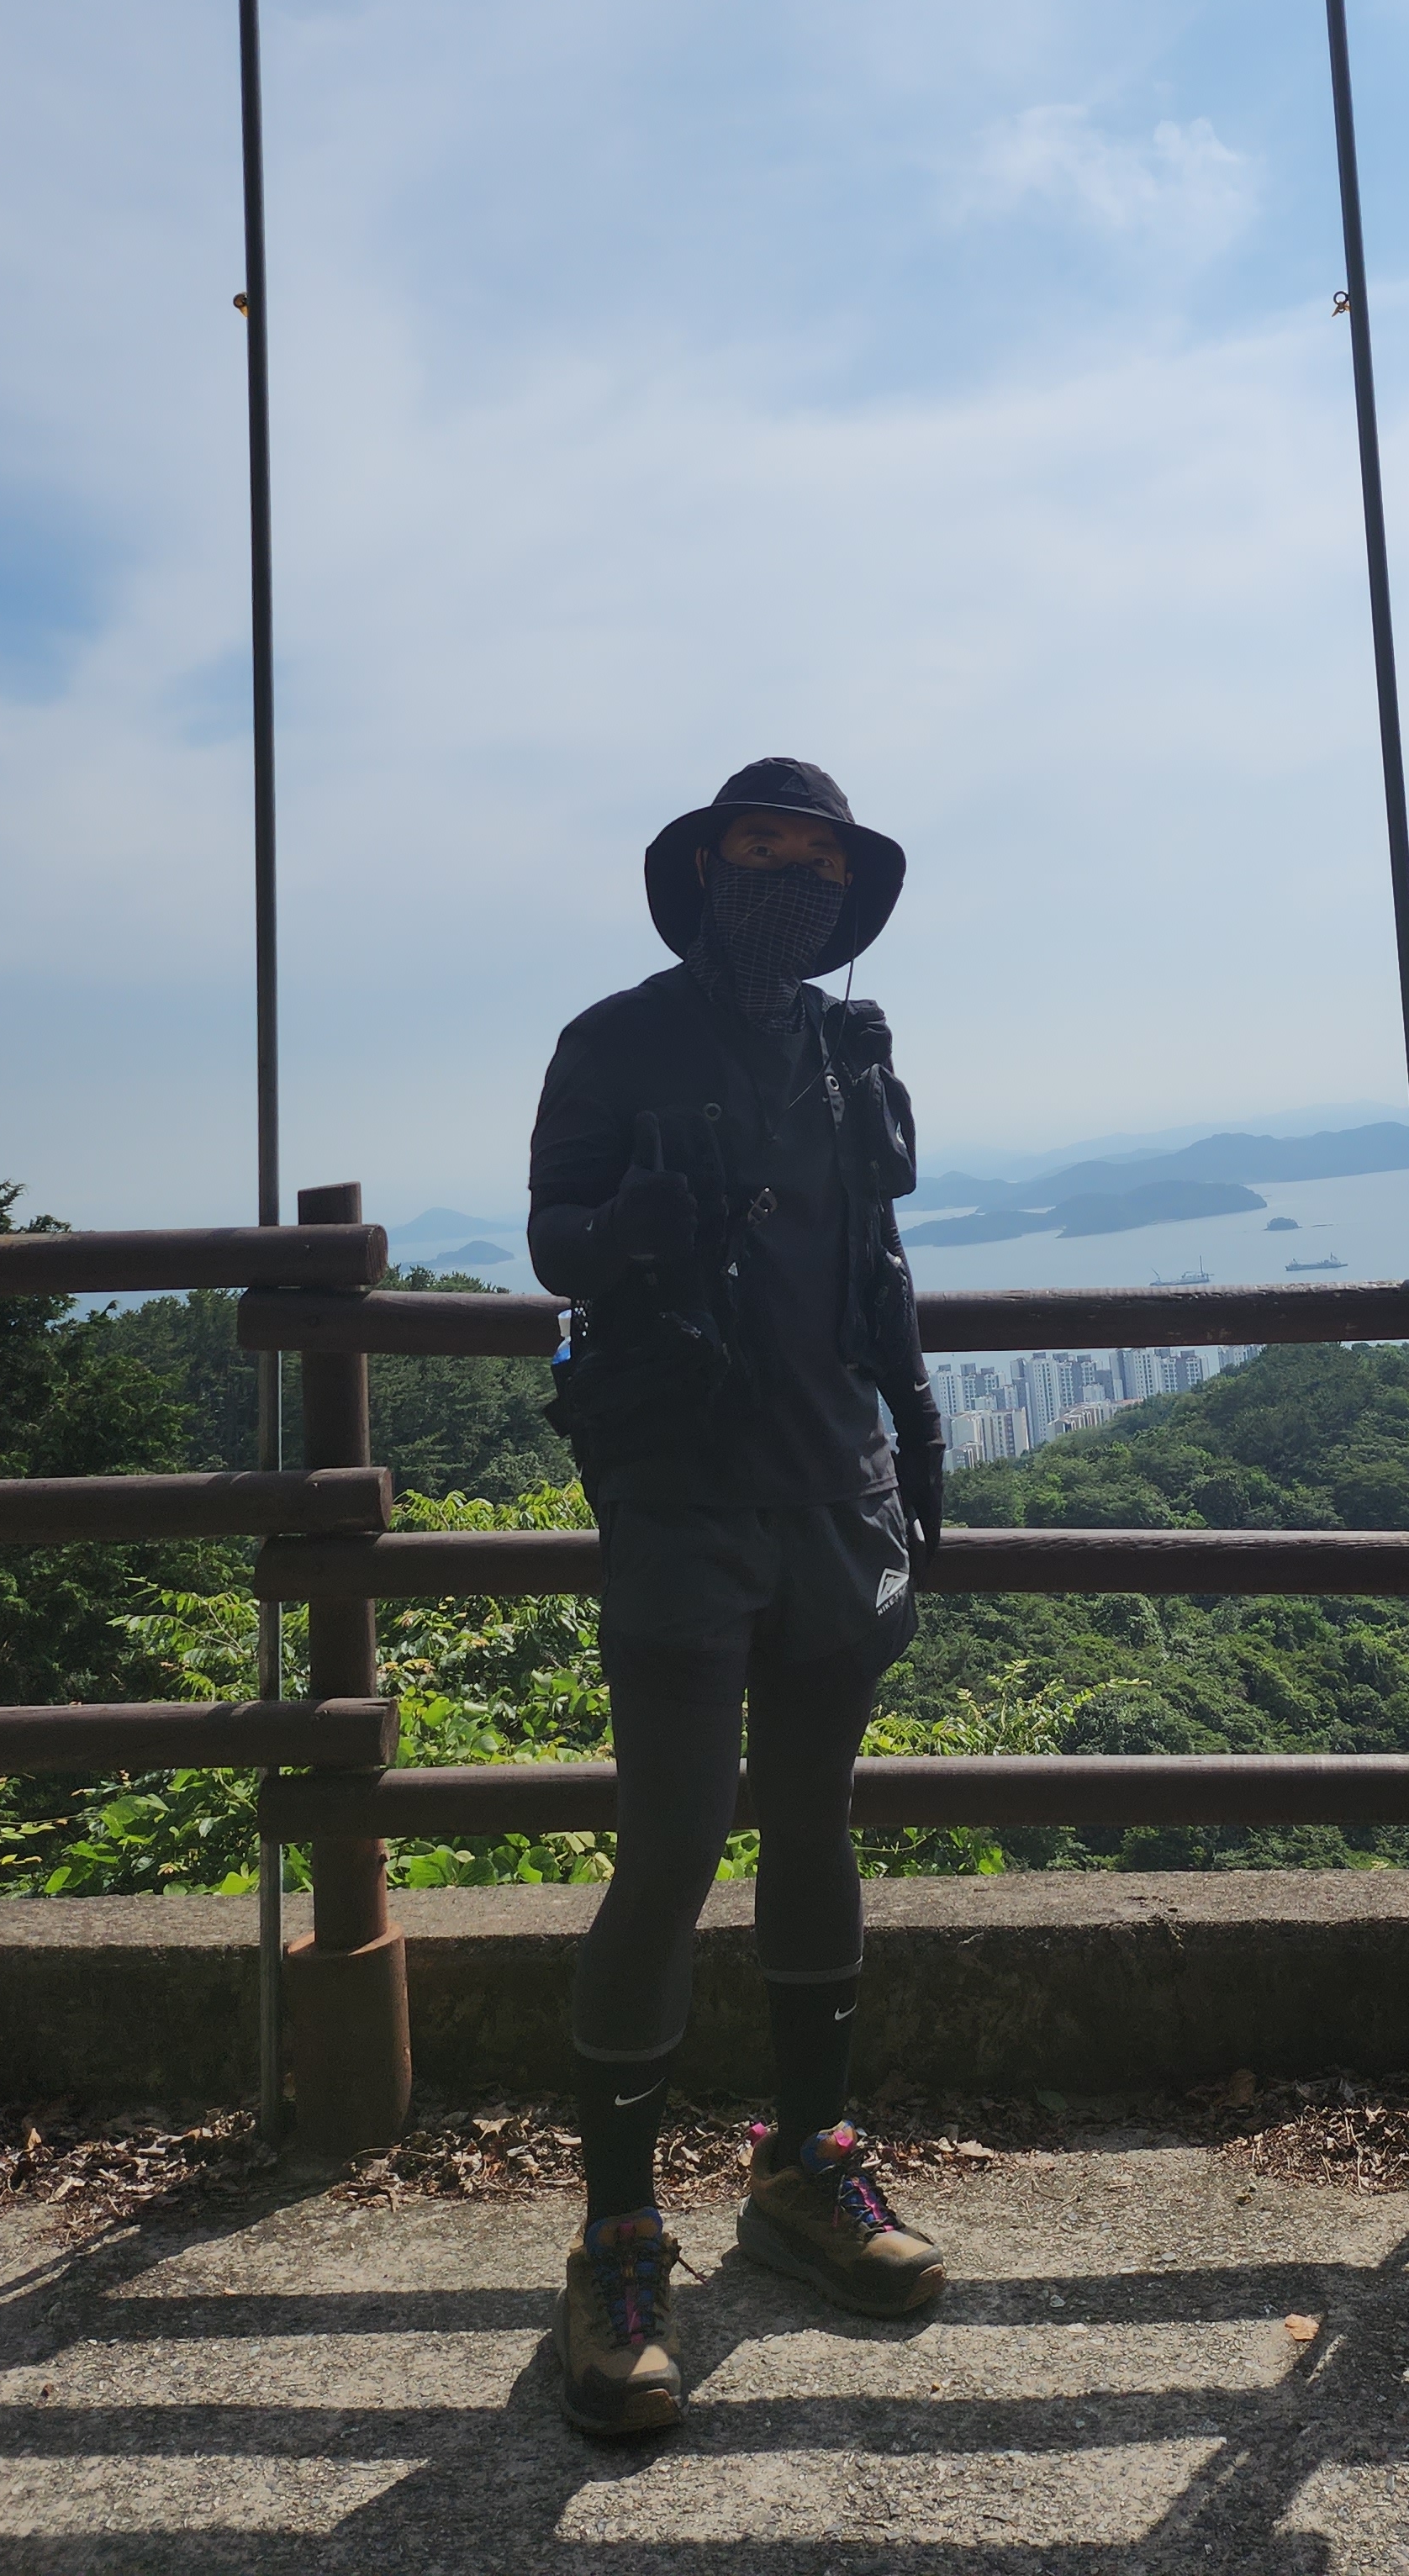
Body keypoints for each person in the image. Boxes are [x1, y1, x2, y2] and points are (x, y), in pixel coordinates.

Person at [527, 757, 949, 2438]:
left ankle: (804, 2161)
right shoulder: (610, 1039)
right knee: (675, 1841)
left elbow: (881, 1260)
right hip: (680, 1495)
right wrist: (624, 1227)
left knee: (816, 1822)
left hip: (832, 1484)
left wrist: (916, 1424)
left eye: (819, 859)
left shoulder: (854, 1049)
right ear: (704, 866)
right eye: (761, 850)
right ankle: (618, 2234)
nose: (792, 877)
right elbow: (554, 1241)